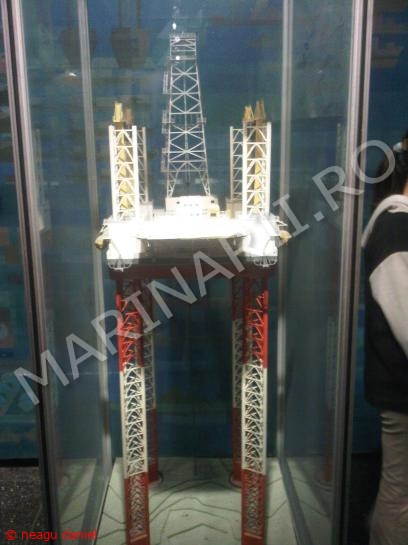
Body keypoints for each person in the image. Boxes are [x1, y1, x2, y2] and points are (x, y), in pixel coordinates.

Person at [361, 133, 408, 545]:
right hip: (401, 390)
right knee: (399, 495)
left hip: (396, 386)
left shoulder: (391, 224)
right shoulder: (396, 228)